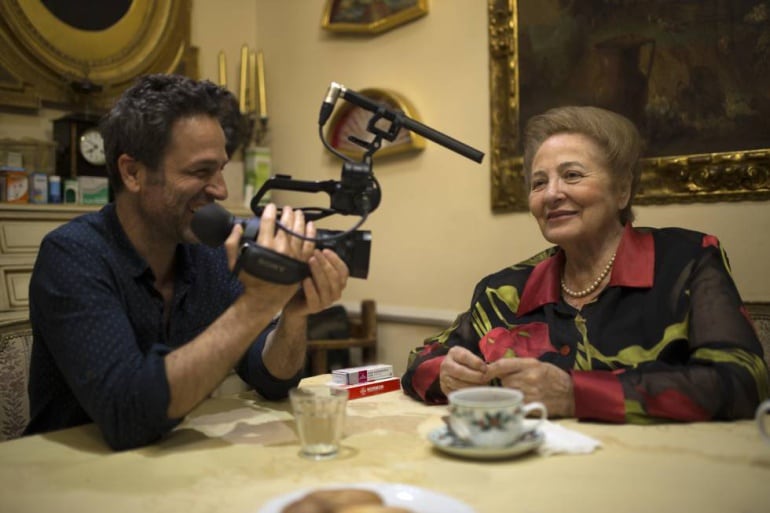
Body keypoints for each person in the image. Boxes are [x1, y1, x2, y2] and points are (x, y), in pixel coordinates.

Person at [24, 74, 349, 450]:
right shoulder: (72, 255)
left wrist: (291, 315)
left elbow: (271, 378)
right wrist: (256, 304)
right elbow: (127, 416)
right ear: (133, 172)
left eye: (221, 168)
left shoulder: (206, 254)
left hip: (169, 465)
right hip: (68, 481)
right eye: (200, 171)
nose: (221, 190)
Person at [402, 105, 769, 422]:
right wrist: (445, 375)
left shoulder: (687, 260)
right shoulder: (504, 290)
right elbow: (420, 361)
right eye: (538, 182)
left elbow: (742, 381)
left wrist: (574, 393)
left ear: (622, 189)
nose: (551, 194)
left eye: (572, 175)